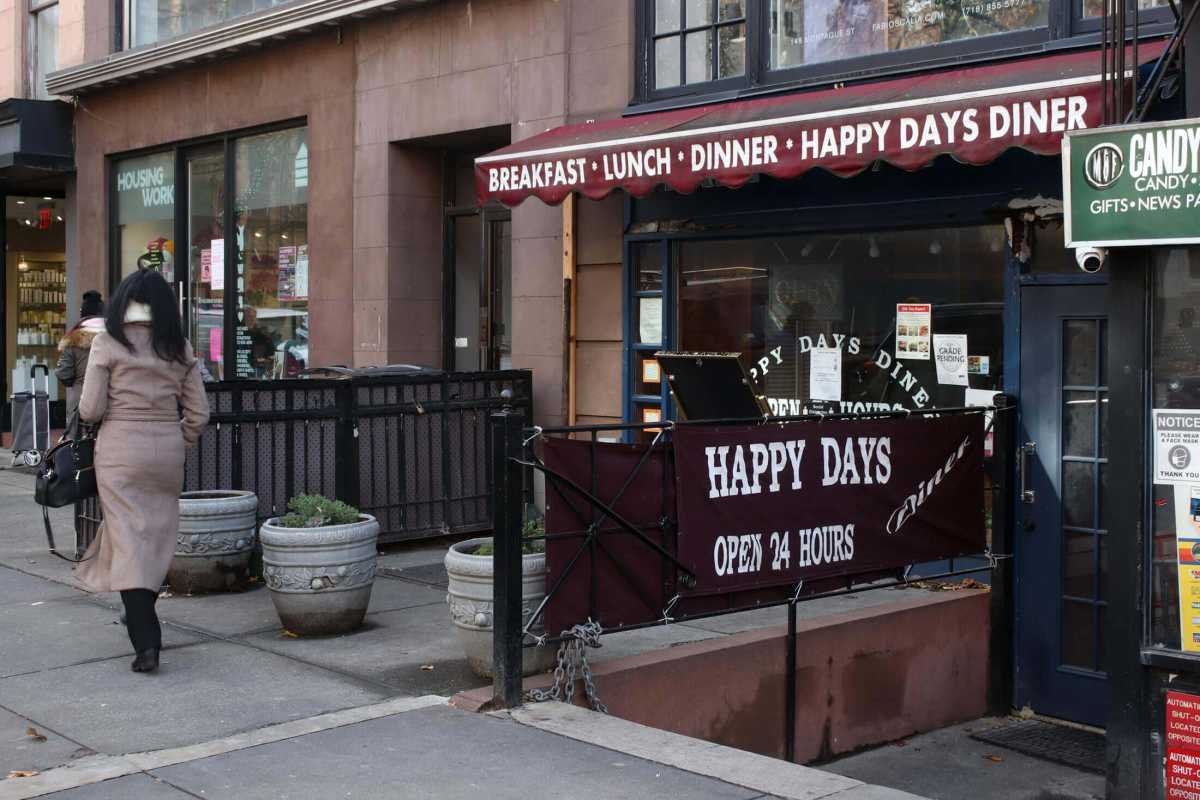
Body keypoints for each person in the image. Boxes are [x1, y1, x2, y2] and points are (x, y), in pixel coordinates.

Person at [77, 269, 210, 673]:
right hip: (166, 448)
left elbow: (90, 410)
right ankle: (140, 613)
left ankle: (146, 640)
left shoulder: (108, 342)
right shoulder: (178, 346)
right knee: (155, 537)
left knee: (128, 537)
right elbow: (199, 414)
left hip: (120, 448)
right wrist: (179, 440)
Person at [55, 291, 106, 432]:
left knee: (77, 442)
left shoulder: (73, 339)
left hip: (80, 404)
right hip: (110, 402)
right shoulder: (114, 336)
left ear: (82, 314)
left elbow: (64, 374)